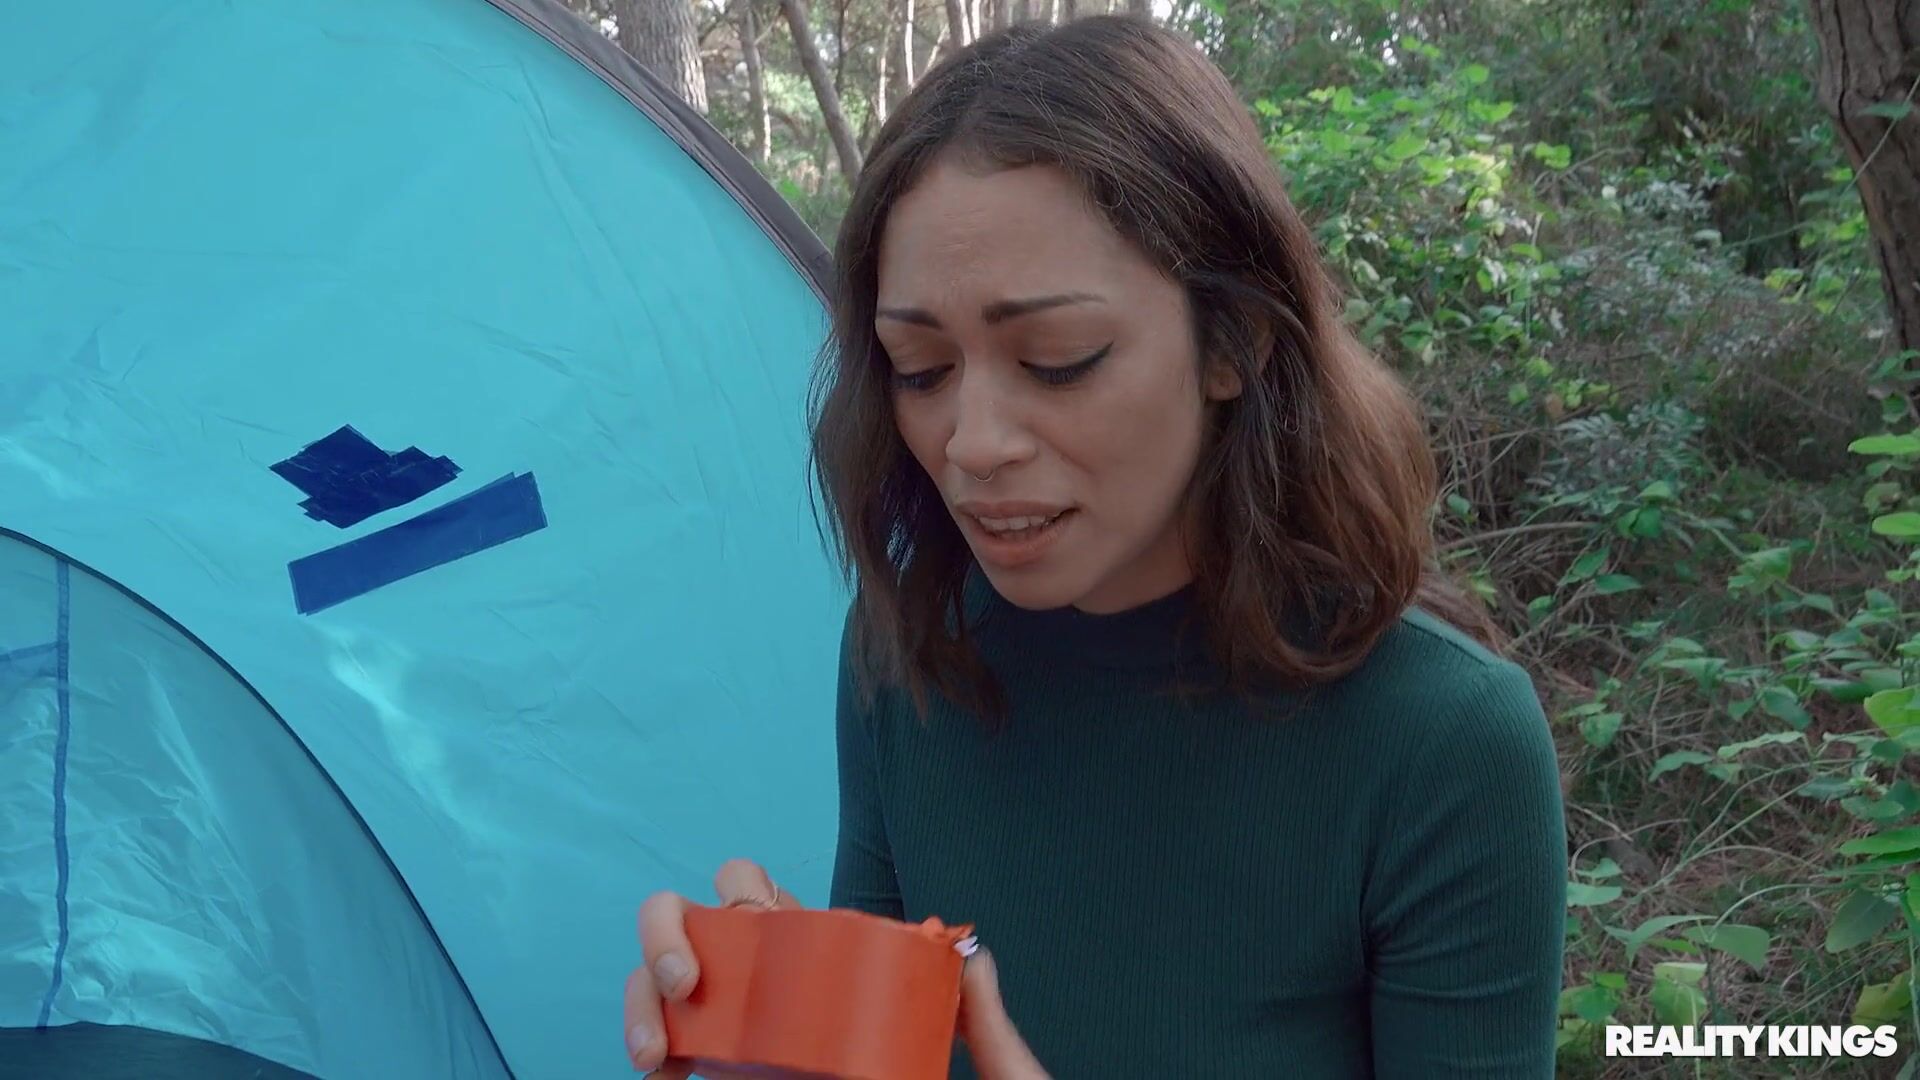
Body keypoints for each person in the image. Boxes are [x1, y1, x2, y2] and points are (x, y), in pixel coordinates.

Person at [623, 14, 1566, 1078]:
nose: (972, 444)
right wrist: (790, 1040)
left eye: (1059, 359)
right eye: (920, 369)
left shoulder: (1440, 745)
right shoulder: (906, 654)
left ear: (1234, 340)